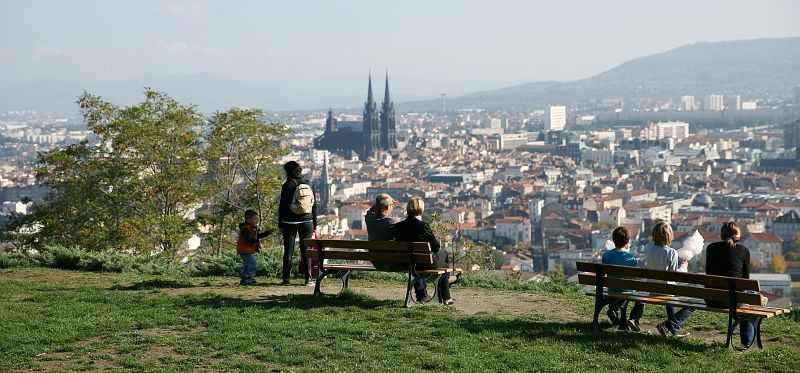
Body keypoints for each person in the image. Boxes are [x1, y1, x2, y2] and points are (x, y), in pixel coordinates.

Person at [393, 197, 455, 305]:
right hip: (424, 264)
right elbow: (436, 247)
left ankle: (425, 295)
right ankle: (446, 292)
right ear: (421, 209)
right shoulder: (423, 226)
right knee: (444, 254)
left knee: (443, 264)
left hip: (406, 262)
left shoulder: (398, 226)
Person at [704, 222, 756, 347]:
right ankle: (747, 341)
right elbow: (745, 280)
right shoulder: (744, 251)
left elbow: (709, 273)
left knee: (746, 297)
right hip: (732, 301)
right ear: (737, 235)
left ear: (722, 234)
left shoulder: (711, 248)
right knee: (751, 299)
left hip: (711, 298)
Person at [641, 221, 695, 337]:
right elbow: (675, 275)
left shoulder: (647, 248)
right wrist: (684, 265)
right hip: (665, 290)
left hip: (651, 287)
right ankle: (670, 325)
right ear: (669, 236)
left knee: (670, 289)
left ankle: (674, 329)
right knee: (691, 303)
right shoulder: (671, 252)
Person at [278, 161, 317, 286]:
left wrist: (280, 223)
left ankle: (286, 279)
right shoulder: (308, 183)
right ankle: (308, 278)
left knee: (289, 250)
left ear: (288, 171)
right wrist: (315, 223)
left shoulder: (287, 185)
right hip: (307, 221)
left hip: (290, 221)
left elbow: (282, 206)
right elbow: (314, 204)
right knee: (305, 250)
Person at [601, 226, 644, 330]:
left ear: (613, 239)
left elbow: (603, 274)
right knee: (641, 300)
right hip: (626, 289)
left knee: (617, 289)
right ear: (628, 241)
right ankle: (634, 319)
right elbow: (634, 278)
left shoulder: (606, 255)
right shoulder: (631, 258)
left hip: (611, 288)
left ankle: (613, 309)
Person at [236, 209, 273, 285]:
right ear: (248, 220)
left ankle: (246, 279)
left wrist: (267, 233)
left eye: (257, 219)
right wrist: (256, 242)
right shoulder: (246, 229)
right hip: (244, 250)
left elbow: (257, 236)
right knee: (252, 264)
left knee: (247, 265)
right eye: (255, 219)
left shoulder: (252, 228)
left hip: (248, 250)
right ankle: (248, 279)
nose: (257, 221)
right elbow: (248, 239)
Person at [365, 193, 401, 271]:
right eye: (392, 205)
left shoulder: (369, 219)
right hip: (392, 262)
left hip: (376, 262)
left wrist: (379, 203)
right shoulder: (394, 222)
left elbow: (370, 211)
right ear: (387, 207)